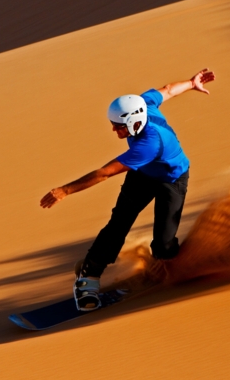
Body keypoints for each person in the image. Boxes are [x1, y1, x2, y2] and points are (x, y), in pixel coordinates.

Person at [40, 68, 216, 310]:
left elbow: (105, 172)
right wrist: (191, 83)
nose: (114, 131)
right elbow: (167, 91)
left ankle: (167, 262)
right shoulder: (142, 105)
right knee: (118, 224)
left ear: (134, 121)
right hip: (143, 175)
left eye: (118, 126)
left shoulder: (149, 143)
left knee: (164, 246)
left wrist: (65, 190)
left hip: (172, 180)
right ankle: (88, 276)